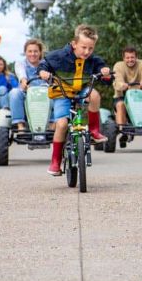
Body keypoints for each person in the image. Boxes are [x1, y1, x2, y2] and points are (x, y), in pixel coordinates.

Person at [38, 24, 111, 176]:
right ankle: (55, 161)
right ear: (74, 44)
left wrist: (105, 73)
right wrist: (43, 72)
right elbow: (44, 64)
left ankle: (94, 130)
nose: (87, 52)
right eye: (84, 47)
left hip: (82, 90)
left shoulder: (93, 59)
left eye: (91, 48)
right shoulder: (58, 56)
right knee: (62, 124)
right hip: (62, 92)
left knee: (94, 95)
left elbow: (103, 72)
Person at [112, 46, 142, 148]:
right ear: (123, 58)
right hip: (122, 95)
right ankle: (123, 131)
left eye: (132, 57)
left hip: (139, 95)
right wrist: (122, 85)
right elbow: (118, 81)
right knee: (120, 105)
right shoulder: (118, 66)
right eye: (127, 58)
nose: (130, 60)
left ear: (136, 57)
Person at [9, 39, 47, 130]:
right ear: (25, 52)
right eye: (30, 51)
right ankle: (20, 125)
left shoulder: (45, 64)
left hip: (43, 95)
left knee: (55, 93)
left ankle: (51, 124)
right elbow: (21, 74)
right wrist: (23, 81)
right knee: (14, 92)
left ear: (40, 52)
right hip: (26, 94)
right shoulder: (21, 63)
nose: (32, 54)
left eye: (35, 51)